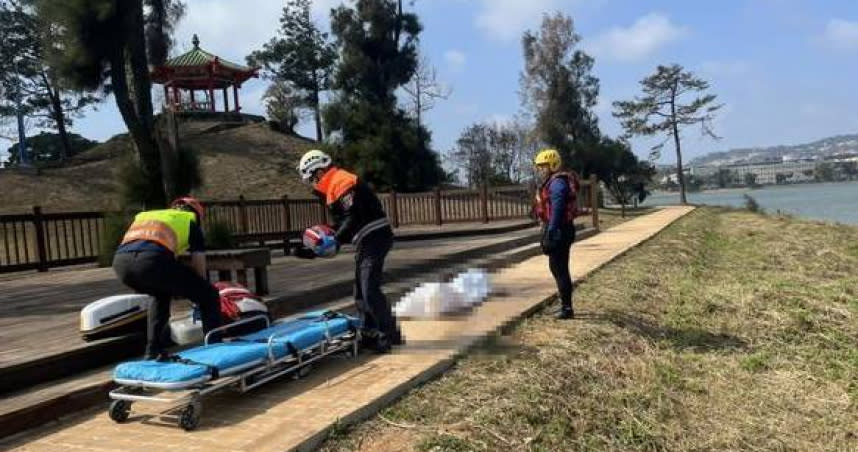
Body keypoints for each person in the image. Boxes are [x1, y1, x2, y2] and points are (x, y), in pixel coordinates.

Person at [294, 149, 402, 353]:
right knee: (360, 293)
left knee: (369, 289)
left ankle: (388, 336)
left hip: (375, 235)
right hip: (366, 239)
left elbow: (352, 217)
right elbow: (343, 224)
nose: (313, 183)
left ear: (318, 171)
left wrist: (334, 240)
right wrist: (315, 249)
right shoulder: (334, 186)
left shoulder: (341, 180)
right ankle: (371, 335)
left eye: (312, 178)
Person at [112, 196, 222, 360]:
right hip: (152, 261)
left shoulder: (149, 216)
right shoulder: (189, 222)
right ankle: (215, 347)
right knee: (210, 295)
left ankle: (152, 351)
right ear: (197, 215)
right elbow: (199, 266)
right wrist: (199, 295)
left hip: (121, 264)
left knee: (161, 294)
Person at [533, 149, 580, 320]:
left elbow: (559, 204)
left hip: (560, 229)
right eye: (539, 167)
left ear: (552, 165)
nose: (540, 170)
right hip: (562, 228)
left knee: (559, 269)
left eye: (543, 166)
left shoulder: (557, 183)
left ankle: (567, 309)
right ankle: (566, 306)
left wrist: (552, 228)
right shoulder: (553, 181)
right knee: (558, 267)